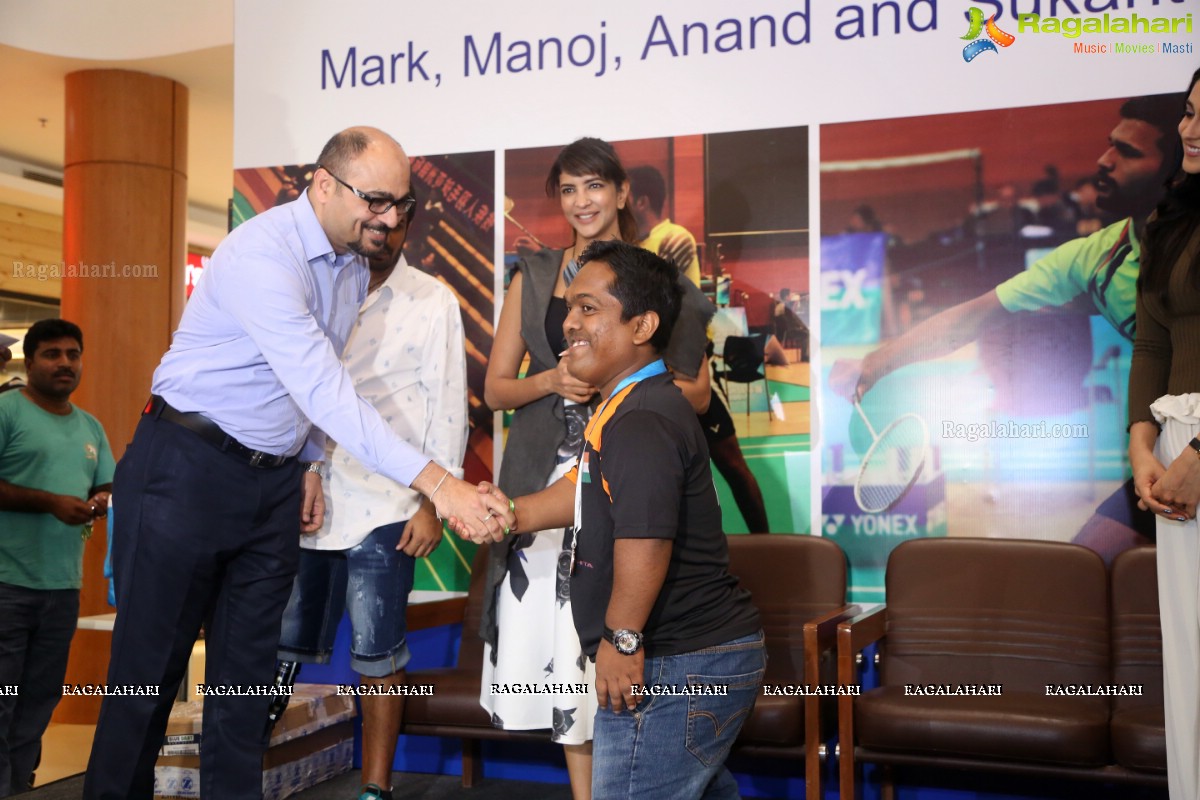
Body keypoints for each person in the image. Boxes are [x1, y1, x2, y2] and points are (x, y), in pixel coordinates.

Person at [83, 127, 510, 800]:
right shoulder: (264, 254)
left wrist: (308, 462)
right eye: (375, 200)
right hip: (184, 471)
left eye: (403, 204)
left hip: (272, 488)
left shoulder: (345, 267)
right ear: (323, 185)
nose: (391, 219)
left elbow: (307, 396)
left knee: (246, 688)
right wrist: (440, 485)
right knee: (148, 680)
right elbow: (322, 387)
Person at [829, 94, 1183, 564]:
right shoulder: (1095, 258)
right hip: (1171, 456)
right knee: (1085, 571)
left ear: (1177, 168)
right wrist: (876, 362)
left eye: (1129, 152)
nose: (1105, 160)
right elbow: (974, 316)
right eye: (1110, 145)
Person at [467, 240, 764, 799]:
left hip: (679, 665)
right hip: (697, 660)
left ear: (643, 325)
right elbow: (581, 489)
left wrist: (621, 643)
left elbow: (645, 540)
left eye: (588, 309)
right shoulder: (625, 405)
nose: (568, 325)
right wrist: (510, 512)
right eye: (570, 308)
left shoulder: (642, 419)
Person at [482, 138, 713, 799]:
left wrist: (629, 385)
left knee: (612, 643)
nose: (581, 201)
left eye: (593, 186)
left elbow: (694, 392)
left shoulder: (659, 278)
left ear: (620, 193)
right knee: (560, 663)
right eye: (567, 189)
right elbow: (498, 389)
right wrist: (553, 379)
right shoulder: (532, 274)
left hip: (623, 480)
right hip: (542, 480)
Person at [273, 197, 468, 800]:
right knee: (277, 646)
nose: (380, 232)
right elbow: (300, 389)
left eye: (393, 223)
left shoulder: (432, 300)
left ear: (408, 226)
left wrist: (433, 503)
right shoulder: (318, 287)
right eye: (371, 221)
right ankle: (240, 768)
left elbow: (449, 404)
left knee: (378, 654)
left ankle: (374, 789)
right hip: (313, 495)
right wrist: (304, 466)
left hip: (389, 506)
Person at [0, 319, 112, 796]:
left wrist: (104, 499)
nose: (64, 363)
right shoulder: (7, 411)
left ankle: (20, 785)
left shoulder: (90, 425)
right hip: (6, 584)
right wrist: (49, 501)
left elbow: (104, 482)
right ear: (31, 360)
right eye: (52, 354)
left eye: (72, 354)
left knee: (38, 700)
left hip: (62, 589)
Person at [1127, 66, 1200, 800]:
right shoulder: (1170, 217)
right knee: (1190, 664)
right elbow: (1151, 345)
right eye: (1186, 111)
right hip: (1175, 454)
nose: (1189, 127)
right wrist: (1142, 444)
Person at [628, 165, 771, 533]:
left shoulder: (672, 238)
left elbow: (666, 305)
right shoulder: (630, 245)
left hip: (683, 366)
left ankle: (765, 541)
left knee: (732, 465)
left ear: (639, 200)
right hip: (650, 374)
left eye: (622, 193)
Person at [627, 165, 702, 287]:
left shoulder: (676, 239)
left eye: (623, 197)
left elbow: (650, 294)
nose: (618, 205)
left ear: (642, 203)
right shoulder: (630, 241)